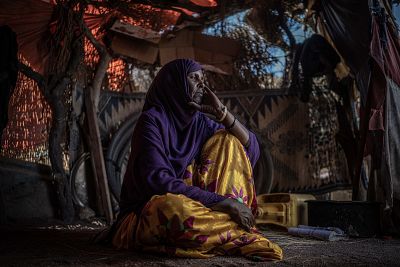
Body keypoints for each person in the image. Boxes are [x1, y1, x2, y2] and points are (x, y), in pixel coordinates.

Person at [111, 58, 283, 261]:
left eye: (203, 79)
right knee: (174, 210)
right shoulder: (151, 121)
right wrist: (224, 203)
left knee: (228, 140)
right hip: (147, 212)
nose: (202, 85)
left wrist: (222, 114)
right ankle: (237, 230)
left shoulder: (199, 123)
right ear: (175, 84)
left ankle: (219, 230)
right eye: (194, 78)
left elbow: (250, 150)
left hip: (199, 206)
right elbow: (158, 181)